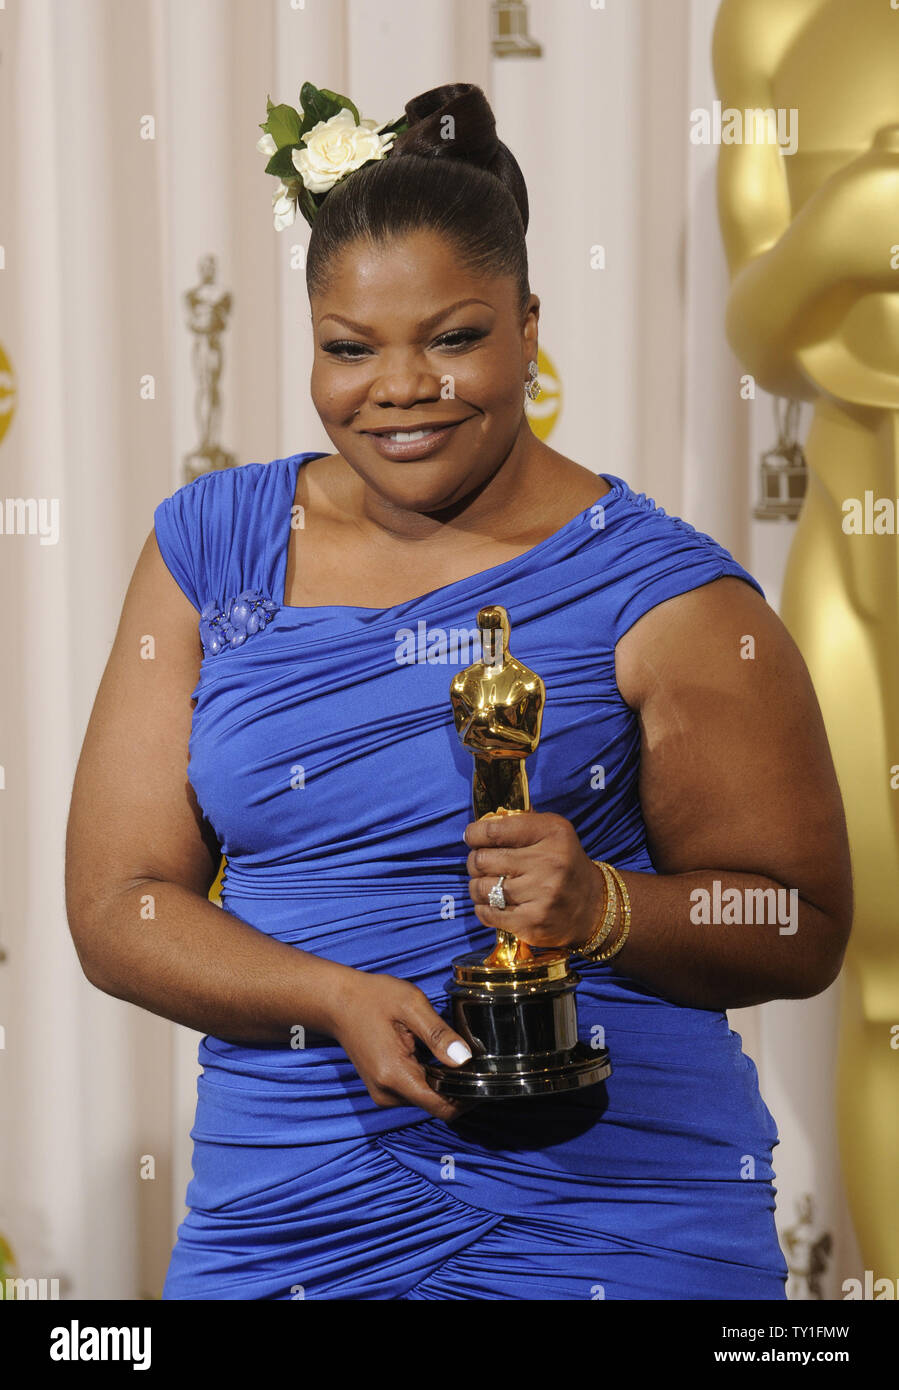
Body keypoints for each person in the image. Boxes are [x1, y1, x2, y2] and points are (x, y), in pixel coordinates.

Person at [65, 82, 853, 1300]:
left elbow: (797, 926)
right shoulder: (207, 546)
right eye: (348, 347)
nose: (398, 389)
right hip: (289, 1207)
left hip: (607, 1209)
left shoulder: (669, 594)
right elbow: (120, 904)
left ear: (528, 326)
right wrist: (328, 998)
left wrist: (598, 907)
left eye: (453, 336)